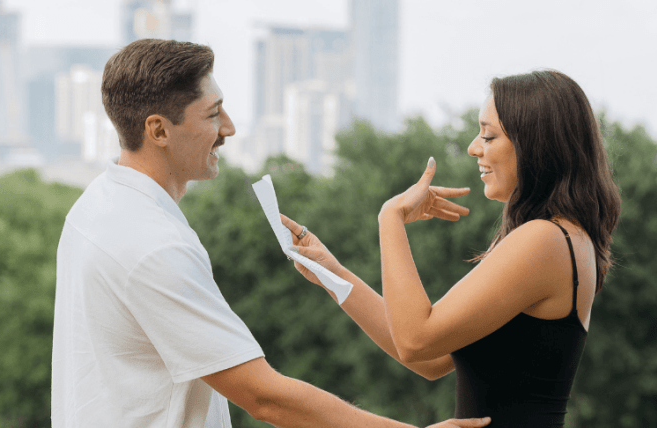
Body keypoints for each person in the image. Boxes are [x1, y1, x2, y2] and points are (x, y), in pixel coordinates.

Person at [51, 38, 491, 428]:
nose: (230, 128)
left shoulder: (97, 206)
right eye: (212, 113)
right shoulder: (152, 244)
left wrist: (332, 273)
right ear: (158, 130)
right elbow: (264, 397)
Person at [283, 70, 621, 427]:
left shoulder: (544, 240)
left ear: (534, 145)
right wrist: (332, 274)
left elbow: (416, 339)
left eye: (488, 136)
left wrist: (390, 217)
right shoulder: (557, 237)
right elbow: (430, 359)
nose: (474, 147)